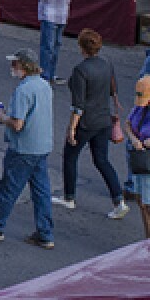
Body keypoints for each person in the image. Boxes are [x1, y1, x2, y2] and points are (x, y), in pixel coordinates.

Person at [0, 49, 55, 249]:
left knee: (9, 188)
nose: (12, 68)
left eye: (15, 64)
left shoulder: (23, 90)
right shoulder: (44, 85)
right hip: (42, 145)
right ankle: (45, 233)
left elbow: (17, 124)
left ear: (25, 67)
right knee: (41, 191)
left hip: (23, 148)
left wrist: (0, 116)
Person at [55, 28, 130, 219]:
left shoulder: (81, 70)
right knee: (102, 160)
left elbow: (78, 105)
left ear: (82, 47)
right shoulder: (107, 63)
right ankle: (118, 200)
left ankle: (69, 197)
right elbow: (113, 90)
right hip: (104, 120)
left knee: (70, 156)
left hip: (86, 122)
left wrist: (71, 128)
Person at [120, 75, 150, 239]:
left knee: (148, 204)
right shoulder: (139, 107)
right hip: (140, 161)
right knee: (141, 202)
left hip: (148, 163)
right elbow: (128, 124)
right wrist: (134, 140)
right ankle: (147, 241)